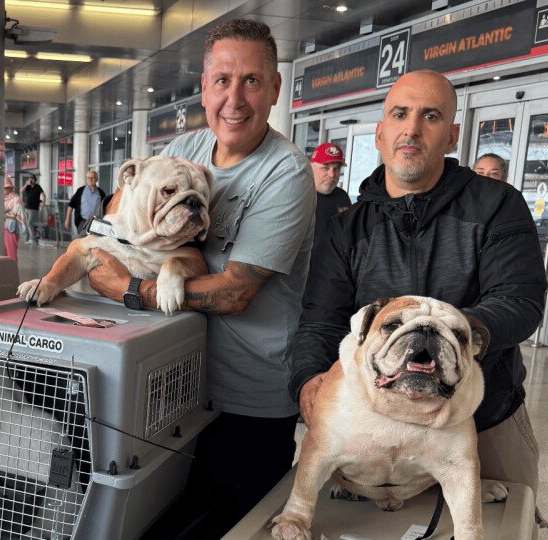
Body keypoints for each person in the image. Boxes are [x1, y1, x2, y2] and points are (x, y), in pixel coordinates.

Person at [289, 70, 548, 525]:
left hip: (482, 418)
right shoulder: (347, 226)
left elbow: (519, 301)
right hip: (366, 423)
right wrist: (308, 382)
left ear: (452, 136)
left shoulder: (497, 204)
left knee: (507, 526)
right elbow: (321, 320)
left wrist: (443, 336)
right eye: (399, 115)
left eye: (430, 116)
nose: (411, 129)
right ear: (380, 133)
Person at [88, 19, 315, 537]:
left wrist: (131, 290)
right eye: (223, 81)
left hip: (246, 401)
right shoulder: (185, 149)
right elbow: (117, 217)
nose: (235, 99)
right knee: (158, 519)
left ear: (275, 88)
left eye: (252, 81)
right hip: (171, 387)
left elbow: (235, 291)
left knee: (232, 527)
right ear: (204, 87)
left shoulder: (286, 172)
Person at [310, 142, 352, 241]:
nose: (332, 174)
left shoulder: (342, 195)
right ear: (311, 169)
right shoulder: (300, 196)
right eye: (325, 168)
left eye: (336, 168)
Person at [65, 170, 105, 237]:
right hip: (82, 222)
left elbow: (105, 208)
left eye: (92, 177)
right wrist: (67, 219)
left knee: (93, 241)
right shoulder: (80, 191)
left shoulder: (101, 193)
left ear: (97, 179)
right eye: (88, 177)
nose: (90, 179)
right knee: (82, 240)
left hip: (96, 223)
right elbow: (71, 205)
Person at [2, 176, 26, 263]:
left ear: (11, 188)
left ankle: (13, 269)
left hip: (11, 229)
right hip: (3, 228)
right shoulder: (2, 198)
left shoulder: (16, 199)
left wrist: (4, 215)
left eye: (7, 188)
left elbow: (18, 214)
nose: (5, 190)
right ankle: (6, 269)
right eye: (4, 188)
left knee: (11, 252)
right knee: (4, 252)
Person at [20, 173, 45, 244]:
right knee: (27, 223)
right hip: (27, 207)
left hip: (33, 208)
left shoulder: (37, 187)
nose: (31, 180)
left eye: (32, 179)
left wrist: (43, 204)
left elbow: (43, 195)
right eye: (30, 179)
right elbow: (21, 191)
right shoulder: (28, 186)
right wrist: (26, 184)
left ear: (35, 180)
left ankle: (33, 239)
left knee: (29, 223)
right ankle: (29, 238)